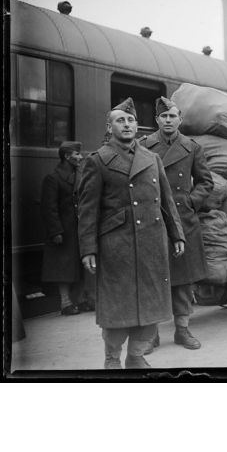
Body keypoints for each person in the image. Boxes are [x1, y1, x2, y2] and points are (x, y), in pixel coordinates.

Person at [78, 98, 185, 369]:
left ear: (137, 125)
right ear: (109, 126)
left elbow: (166, 201)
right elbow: (87, 210)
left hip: (152, 241)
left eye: (130, 120)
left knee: (151, 306)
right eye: (120, 120)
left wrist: (177, 235)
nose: (126, 125)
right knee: (118, 308)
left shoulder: (152, 158)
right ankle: (112, 359)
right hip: (117, 246)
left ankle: (136, 356)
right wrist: (88, 248)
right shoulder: (98, 160)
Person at [140, 96, 214, 351]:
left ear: (180, 119)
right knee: (154, 278)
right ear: (157, 120)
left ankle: (182, 330)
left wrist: (190, 202)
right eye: (164, 116)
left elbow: (206, 182)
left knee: (183, 280)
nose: (168, 120)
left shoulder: (192, 148)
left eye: (173, 116)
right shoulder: (144, 146)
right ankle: (152, 334)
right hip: (153, 219)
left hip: (183, 220)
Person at [41, 141, 94, 315]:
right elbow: (49, 208)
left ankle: (79, 300)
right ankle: (65, 303)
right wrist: (56, 231)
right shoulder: (53, 178)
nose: (81, 157)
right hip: (64, 231)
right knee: (62, 267)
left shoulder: (79, 175)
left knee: (78, 265)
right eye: (77, 154)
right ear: (67, 156)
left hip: (78, 229)